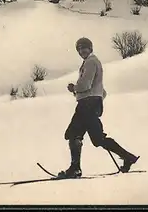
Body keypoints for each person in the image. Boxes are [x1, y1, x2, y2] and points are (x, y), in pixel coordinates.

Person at [57, 37, 139, 179]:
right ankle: (128, 157)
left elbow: (85, 85)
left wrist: (74, 88)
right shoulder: (93, 62)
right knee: (96, 139)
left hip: (86, 105)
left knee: (73, 134)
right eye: (80, 49)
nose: (82, 51)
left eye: (84, 48)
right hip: (90, 104)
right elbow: (103, 91)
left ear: (90, 49)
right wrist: (96, 99)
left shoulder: (90, 62)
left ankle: (75, 169)